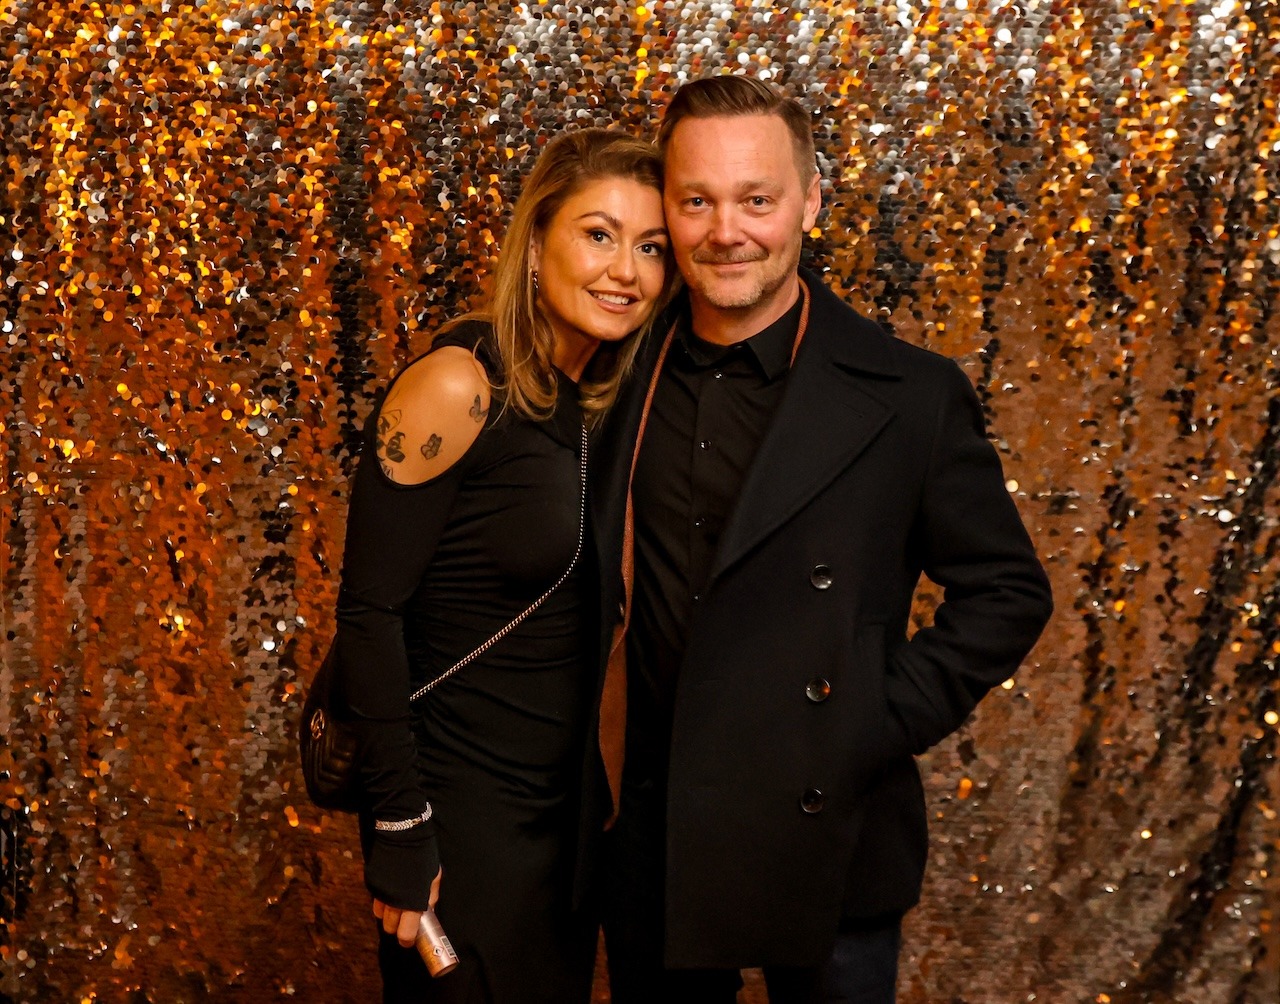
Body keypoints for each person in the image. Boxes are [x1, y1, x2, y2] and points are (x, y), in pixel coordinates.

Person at [589, 75, 1054, 1002]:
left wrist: (867, 720)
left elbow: (1009, 592)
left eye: (757, 200)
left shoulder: (911, 394)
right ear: (667, 210)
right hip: (653, 833)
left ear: (809, 201)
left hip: (830, 828)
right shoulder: (610, 373)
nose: (727, 231)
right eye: (697, 201)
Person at [332, 128, 671, 1003]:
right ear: (537, 241)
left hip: (562, 827)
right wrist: (400, 824)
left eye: (651, 247)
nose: (625, 271)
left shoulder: (595, 402)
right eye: (598, 235)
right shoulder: (458, 385)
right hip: (458, 815)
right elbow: (369, 614)